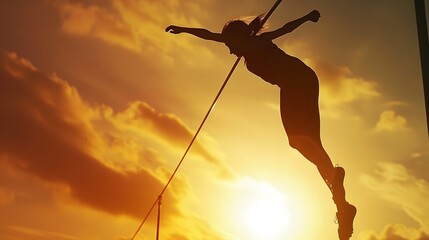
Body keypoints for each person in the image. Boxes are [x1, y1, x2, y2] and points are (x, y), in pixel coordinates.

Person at [166, 10, 356, 240]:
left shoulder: (255, 42)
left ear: (237, 38)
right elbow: (207, 35)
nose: (228, 50)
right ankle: (342, 205)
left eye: (229, 44)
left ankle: (336, 183)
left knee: (297, 140)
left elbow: (285, 29)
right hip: (303, 79)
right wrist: (183, 29)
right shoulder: (247, 44)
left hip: (295, 80)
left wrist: (306, 17)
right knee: (312, 144)